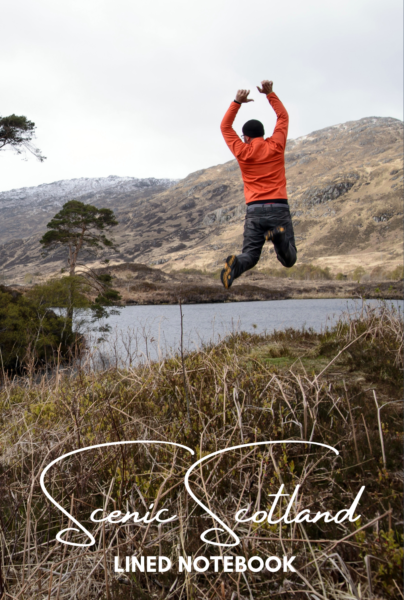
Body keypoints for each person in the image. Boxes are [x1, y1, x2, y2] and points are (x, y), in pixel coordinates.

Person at [219, 80, 297, 289]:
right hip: (279, 207)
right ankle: (279, 237)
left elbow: (225, 127)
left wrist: (237, 102)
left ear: (245, 137)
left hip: (255, 211)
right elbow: (283, 117)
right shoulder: (276, 145)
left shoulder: (243, 151)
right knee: (289, 259)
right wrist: (270, 93)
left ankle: (235, 265)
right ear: (263, 133)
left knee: (251, 256)